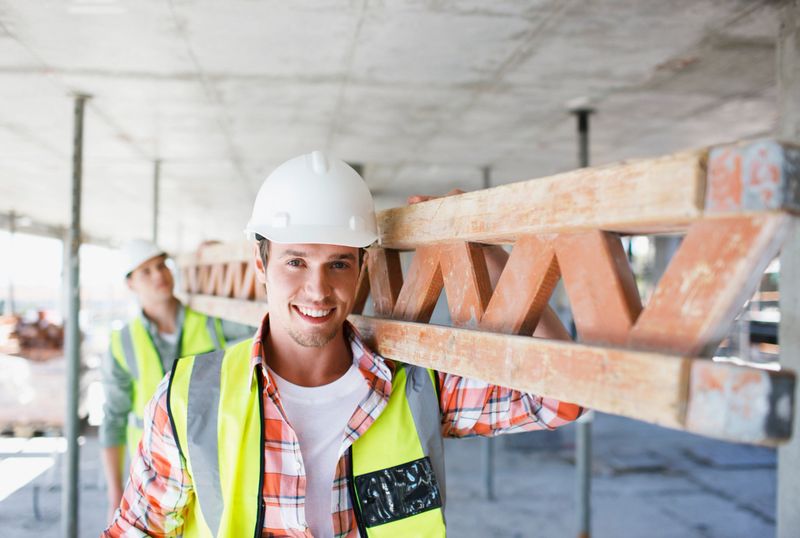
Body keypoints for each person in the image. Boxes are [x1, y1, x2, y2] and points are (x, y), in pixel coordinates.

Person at [104, 152, 583, 537]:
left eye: (338, 264)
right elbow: (139, 528)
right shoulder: (189, 399)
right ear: (259, 265)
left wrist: (487, 251)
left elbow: (561, 399)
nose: (318, 290)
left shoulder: (416, 388)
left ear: (362, 268)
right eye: (295, 263)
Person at [100, 239, 252, 522]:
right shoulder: (122, 343)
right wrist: (114, 494)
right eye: (146, 271)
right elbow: (113, 421)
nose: (159, 275)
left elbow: (264, 323)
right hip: (150, 467)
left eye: (161, 265)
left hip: (212, 459)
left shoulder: (211, 321)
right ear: (130, 283)